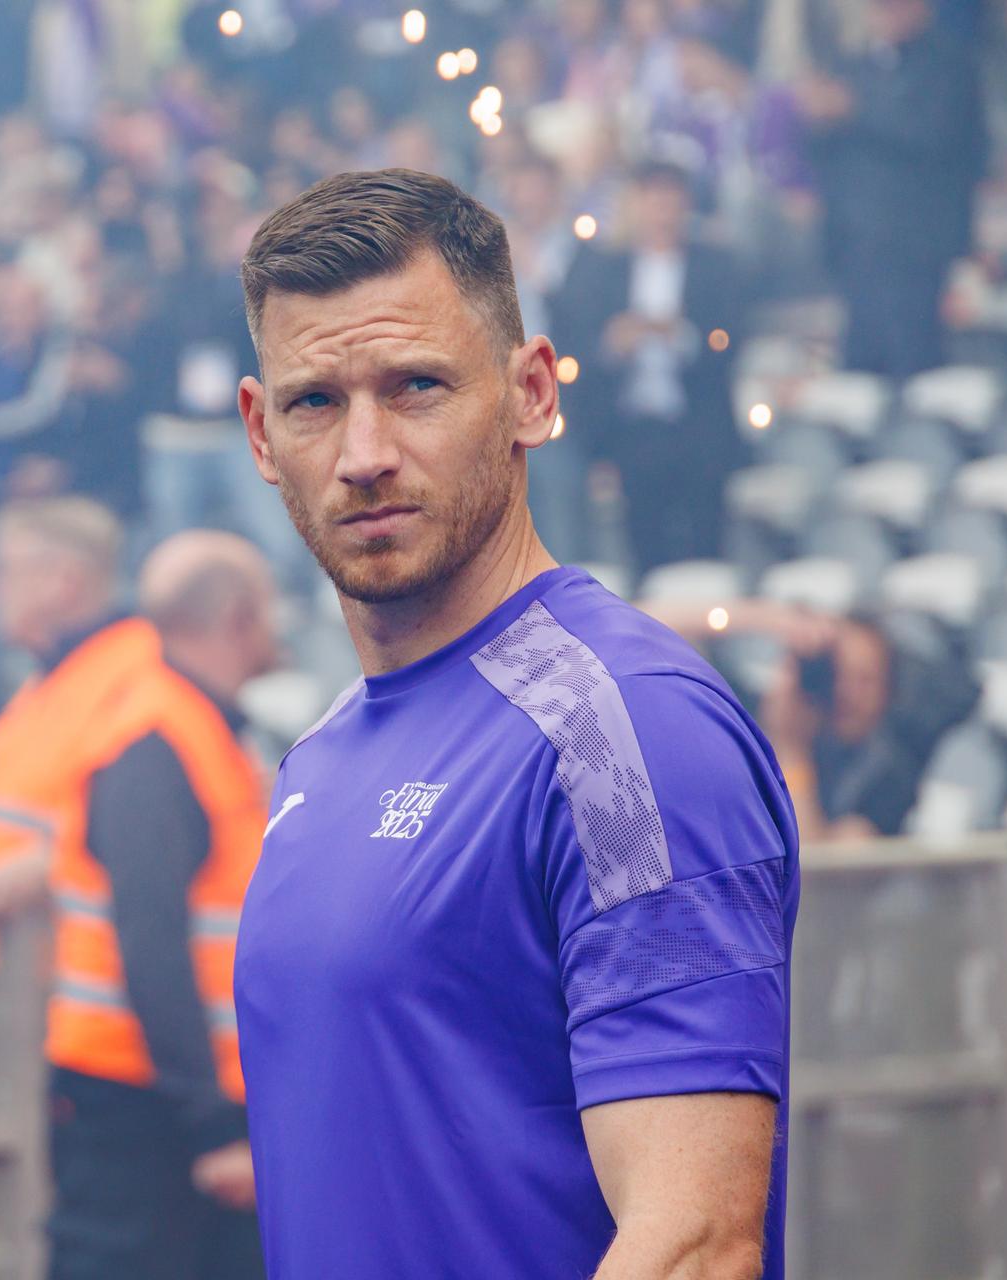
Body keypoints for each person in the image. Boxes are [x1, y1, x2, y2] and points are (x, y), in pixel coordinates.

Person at [231, 169, 799, 1279]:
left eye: (417, 386)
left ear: (533, 391)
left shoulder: (623, 731)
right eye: (315, 402)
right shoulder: (322, 752)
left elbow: (693, 1242)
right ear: (259, 432)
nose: (364, 453)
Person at [0, 499, 272, 1280]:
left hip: (161, 1081)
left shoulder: (157, 706)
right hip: (136, 1083)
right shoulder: (132, 717)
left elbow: (162, 921)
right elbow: (145, 925)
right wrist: (210, 1120)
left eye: (7, 570)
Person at [642, 599, 980, 840]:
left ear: (888, 691)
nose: (847, 692)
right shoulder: (761, 718)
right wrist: (770, 619)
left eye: (865, 680)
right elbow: (635, 627)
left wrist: (791, 751)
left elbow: (819, 876)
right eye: (837, 674)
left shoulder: (886, 771)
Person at [557, 158, 745, 573]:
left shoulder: (714, 266)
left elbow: (729, 339)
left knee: (707, 549)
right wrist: (614, 343)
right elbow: (579, 341)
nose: (661, 209)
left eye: (670, 199)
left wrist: (679, 336)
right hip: (633, 429)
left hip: (698, 426)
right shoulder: (606, 270)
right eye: (652, 198)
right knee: (644, 550)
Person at [796, 0, 985, 378]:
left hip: (917, 244)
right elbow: (824, 153)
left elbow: (937, 136)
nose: (888, 13)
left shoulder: (950, 64)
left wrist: (855, 109)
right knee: (861, 364)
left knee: (912, 363)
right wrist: (817, 117)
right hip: (857, 243)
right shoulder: (853, 67)